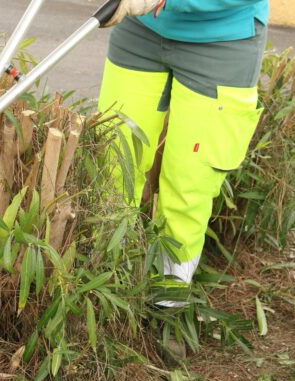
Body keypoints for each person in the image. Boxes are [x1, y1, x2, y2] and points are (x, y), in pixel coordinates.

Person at [98, 0, 269, 308]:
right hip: (141, 27)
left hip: (223, 36)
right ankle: (105, 291)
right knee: (113, 164)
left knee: (189, 183)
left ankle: (167, 307)